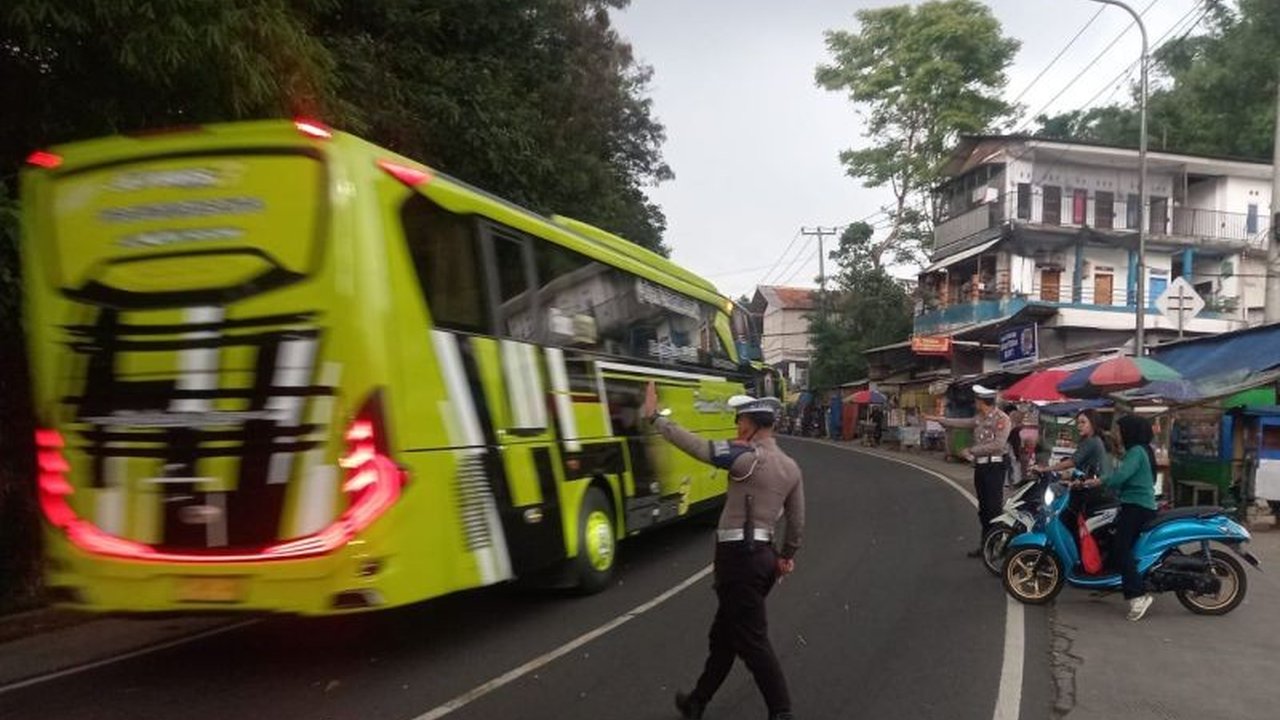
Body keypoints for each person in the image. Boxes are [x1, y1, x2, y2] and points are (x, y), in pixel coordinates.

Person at [642, 381, 805, 720]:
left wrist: (656, 418)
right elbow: (797, 521)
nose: (736, 425)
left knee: (752, 641)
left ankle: (782, 711)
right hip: (764, 559)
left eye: (740, 420)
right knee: (725, 637)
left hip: (739, 561)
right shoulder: (791, 467)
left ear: (754, 423)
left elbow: (698, 447)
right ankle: (696, 702)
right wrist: (786, 556)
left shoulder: (744, 456)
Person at [1077, 415, 1158, 621]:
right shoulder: (1141, 451)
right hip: (1135, 504)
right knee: (1114, 542)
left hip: (1137, 507)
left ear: (1129, 432)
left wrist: (1101, 483)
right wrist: (1099, 481)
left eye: (1120, 431)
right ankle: (1113, 582)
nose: (1117, 434)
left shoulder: (1136, 452)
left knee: (1121, 548)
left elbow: (1121, 476)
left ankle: (1138, 596)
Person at [924, 384, 1011, 558]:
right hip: (981, 466)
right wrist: (936, 419)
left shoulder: (1002, 419)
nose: (974, 403)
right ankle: (985, 544)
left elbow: (998, 445)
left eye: (977, 400)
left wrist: (972, 451)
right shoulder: (979, 418)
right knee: (984, 509)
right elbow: (961, 422)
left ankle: (998, 546)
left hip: (995, 466)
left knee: (994, 508)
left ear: (983, 401)